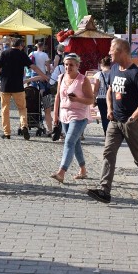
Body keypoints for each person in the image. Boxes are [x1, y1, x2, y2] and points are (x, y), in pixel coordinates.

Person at [87, 37, 138, 206]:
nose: (108, 53)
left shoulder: (136, 74)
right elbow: (109, 91)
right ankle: (104, 191)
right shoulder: (114, 69)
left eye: (111, 50)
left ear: (121, 51)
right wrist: (109, 109)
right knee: (108, 154)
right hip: (115, 121)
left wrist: (133, 117)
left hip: (132, 123)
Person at [51, 53, 95, 182]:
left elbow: (91, 99)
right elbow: (58, 97)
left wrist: (77, 99)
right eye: (66, 64)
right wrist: (55, 115)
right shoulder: (61, 77)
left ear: (77, 65)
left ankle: (61, 172)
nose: (68, 67)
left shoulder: (83, 80)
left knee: (69, 141)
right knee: (75, 144)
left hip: (79, 115)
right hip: (64, 114)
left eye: (71, 65)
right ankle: (83, 170)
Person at [0, 37, 47, 140]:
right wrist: (44, 76)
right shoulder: (22, 54)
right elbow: (33, 67)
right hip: (18, 86)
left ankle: (7, 133)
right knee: (22, 108)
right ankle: (24, 126)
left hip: (5, 86)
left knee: (5, 110)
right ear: (20, 45)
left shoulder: (4, 53)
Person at [91, 56, 113, 134]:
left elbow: (95, 89)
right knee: (112, 117)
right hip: (112, 98)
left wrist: (93, 99)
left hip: (101, 98)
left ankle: (106, 134)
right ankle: (113, 134)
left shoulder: (98, 75)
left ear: (101, 65)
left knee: (104, 118)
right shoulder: (113, 73)